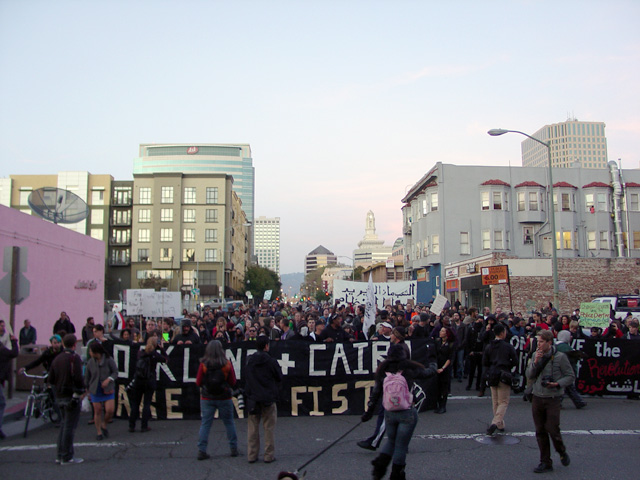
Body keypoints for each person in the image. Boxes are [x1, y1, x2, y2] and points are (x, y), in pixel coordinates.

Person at [362, 344, 437, 480]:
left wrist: (368, 412)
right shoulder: (409, 368)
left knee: (391, 441)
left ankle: (380, 466)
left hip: (390, 412)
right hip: (407, 411)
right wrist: (433, 361)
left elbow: (376, 393)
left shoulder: (383, 369)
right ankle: (397, 474)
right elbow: (428, 373)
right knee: (401, 445)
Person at [526, 329, 574, 473]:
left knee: (553, 429)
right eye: (537, 341)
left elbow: (570, 376)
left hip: (552, 398)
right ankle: (545, 461)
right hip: (537, 396)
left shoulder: (560, 357)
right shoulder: (536, 355)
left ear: (549, 342)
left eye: (541, 342)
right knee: (540, 430)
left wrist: (557, 384)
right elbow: (529, 375)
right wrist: (535, 362)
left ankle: (561, 451)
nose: (538, 344)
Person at [196, 340, 239, 460]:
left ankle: (202, 449)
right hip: (224, 396)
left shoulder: (203, 364)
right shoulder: (226, 364)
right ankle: (233, 448)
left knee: (206, 423)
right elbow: (233, 382)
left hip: (207, 396)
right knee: (229, 422)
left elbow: (198, 381)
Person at [245, 336, 282, 464]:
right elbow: (279, 376)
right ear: (266, 346)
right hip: (267, 396)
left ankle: (252, 455)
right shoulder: (271, 361)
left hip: (253, 397)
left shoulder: (250, 360)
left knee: (253, 428)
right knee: (269, 427)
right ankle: (268, 455)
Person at [48, 334, 84, 464]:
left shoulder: (57, 359)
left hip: (59, 396)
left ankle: (59, 454)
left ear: (63, 344)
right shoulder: (74, 358)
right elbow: (79, 379)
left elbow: (50, 379)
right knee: (69, 427)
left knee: (63, 425)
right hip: (71, 396)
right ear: (74, 345)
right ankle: (67, 456)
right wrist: (79, 391)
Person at [483, 323, 517, 435]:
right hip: (504, 374)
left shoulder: (489, 346)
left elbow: (485, 362)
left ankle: (500, 424)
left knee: (495, 401)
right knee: (503, 401)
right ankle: (495, 422)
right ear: (502, 333)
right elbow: (515, 361)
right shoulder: (508, 346)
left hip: (492, 373)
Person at [128, 336, 166, 432]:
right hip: (149, 380)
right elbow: (166, 359)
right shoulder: (155, 354)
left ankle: (131, 425)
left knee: (135, 404)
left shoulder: (140, 353)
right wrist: (162, 349)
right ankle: (144, 426)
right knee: (146, 403)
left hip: (138, 380)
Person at [85, 342, 117, 440]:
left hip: (107, 388)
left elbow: (115, 372)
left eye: (90, 351)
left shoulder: (108, 360)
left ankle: (104, 423)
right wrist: (87, 390)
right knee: (97, 410)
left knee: (110, 410)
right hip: (95, 388)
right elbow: (87, 377)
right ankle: (99, 431)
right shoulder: (90, 362)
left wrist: (109, 379)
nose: (89, 353)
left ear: (96, 352)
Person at [554, 331, 586, 409]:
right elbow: (571, 359)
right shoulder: (566, 347)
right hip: (566, 370)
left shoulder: (555, 345)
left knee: (568, 387)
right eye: (569, 336)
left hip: (558, 369)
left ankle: (578, 402)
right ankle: (577, 402)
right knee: (566, 386)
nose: (571, 337)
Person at [0, 320, 19, 439]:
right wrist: (14, 342)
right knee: (1, 402)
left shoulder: (5, 336)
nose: (3, 327)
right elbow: (13, 353)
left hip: (1, 377)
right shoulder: (2, 350)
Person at [435, 327, 455, 414]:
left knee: (444, 387)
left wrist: (443, 368)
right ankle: (438, 404)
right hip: (437, 365)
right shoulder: (437, 342)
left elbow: (450, 358)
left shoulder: (451, 344)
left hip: (445, 368)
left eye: (442, 331)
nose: (440, 332)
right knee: (437, 387)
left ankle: (443, 406)